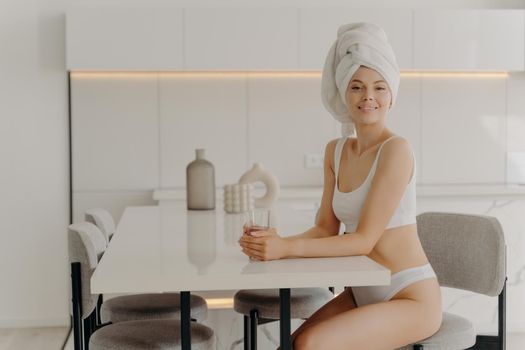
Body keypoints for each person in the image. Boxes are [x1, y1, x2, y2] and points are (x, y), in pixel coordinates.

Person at [238, 22, 442, 349]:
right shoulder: (335, 151)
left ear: (391, 94)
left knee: (311, 344)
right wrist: (274, 242)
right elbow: (324, 229)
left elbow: (363, 240)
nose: (368, 98)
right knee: (293, 345)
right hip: (361, 294)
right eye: (357, 87)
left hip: (410, 297)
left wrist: (285, 249)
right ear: (344, 93)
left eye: (379, 87)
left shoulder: (396, 150)